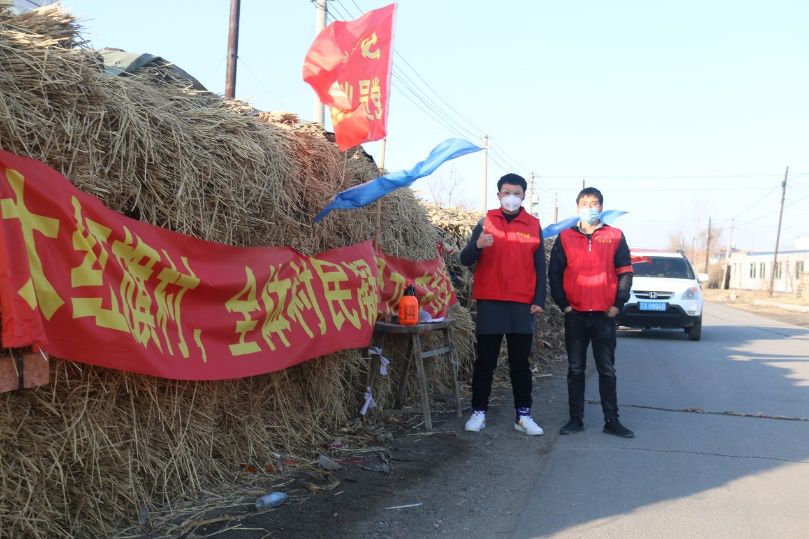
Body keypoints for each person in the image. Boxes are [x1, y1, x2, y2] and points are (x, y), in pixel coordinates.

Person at [460, 173, 546, 436]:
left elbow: (540, 266)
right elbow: (465, 259)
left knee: (520, 363)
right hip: (491, 301)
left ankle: (523, 415)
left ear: (523, 196)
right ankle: (479, 412)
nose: (511, 197)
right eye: (506, 192)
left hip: (521, 304)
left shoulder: (533, 224)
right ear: (499, 195)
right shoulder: (486, 222)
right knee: (485, 361)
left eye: (517, 193)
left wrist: (539, 299)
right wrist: (478, 244)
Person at [548, 187, 635, 438]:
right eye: (585, 203)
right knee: (575, 369)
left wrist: (617, 304)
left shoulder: (615, 236)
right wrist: (563, 304)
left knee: (607, 369)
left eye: (594, 203)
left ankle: (612, 420)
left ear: (601, 207)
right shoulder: (565, 237)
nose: (590, 207)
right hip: (574, 314)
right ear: (577, 208)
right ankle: (575, 419)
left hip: (604, 316)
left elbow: (625, 272)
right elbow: (555, 273)